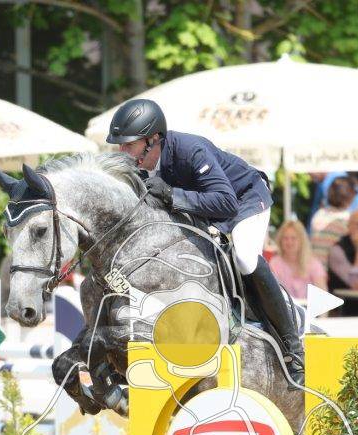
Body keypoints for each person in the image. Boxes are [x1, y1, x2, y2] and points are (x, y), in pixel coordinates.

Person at [106, 98, 304, 381]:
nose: (123, 152)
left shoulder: (190, 150)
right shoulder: (141, 167)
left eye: (129, 145)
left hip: (245, 198)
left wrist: (172, 195)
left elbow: (226, 203)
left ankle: (292, 346)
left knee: (245, 257)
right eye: (121, 146)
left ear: (153, 139)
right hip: (209, 209)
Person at [269, 219, 325, 301]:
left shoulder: (314, 264)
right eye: (285, 238)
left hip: (309, 308)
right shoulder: (274, 263)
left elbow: (322, 295)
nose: (289, 242)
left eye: (293, 238)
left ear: (302, 241)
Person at [309, 176, 358, 263]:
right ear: (350, 196)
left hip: (316, 266)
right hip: (334, 267)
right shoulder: (348, 220)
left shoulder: (319, 215)